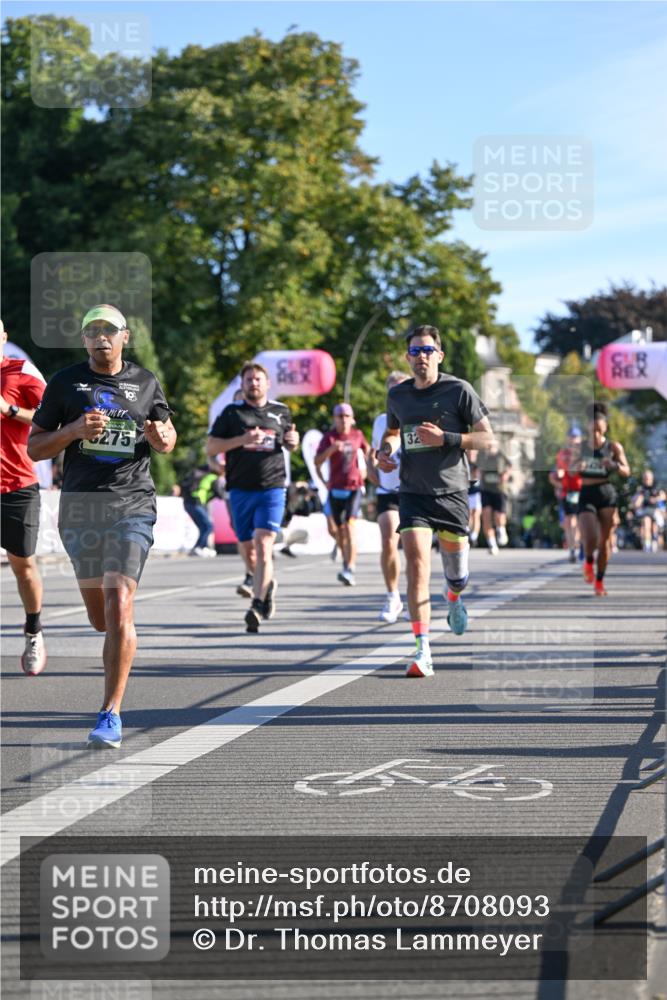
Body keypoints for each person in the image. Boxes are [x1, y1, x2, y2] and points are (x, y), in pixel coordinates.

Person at [28, 304, 176, 747]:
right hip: (80, 508)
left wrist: (161, 438)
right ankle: (115, 638)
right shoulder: (64, 383)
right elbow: (35, 448)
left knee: (119, 597)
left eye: (108, 331)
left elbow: (168, 436)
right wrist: (73, 430)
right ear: (84, 339)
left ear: (125, 337)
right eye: (92, 331)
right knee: (101, 617)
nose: (100, 339)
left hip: (132, 502)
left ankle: (110, 712)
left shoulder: (145, 381)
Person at [377, 324, 494, 677]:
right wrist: (385, 451)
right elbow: (394, 432)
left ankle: (455, 596)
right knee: (416, 566)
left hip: (453, 492)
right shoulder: (398, 395)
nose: (421, 357)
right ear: (407, 357)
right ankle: (422, 649)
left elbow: (487, 440)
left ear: (439, 355)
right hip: (412, 492)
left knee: (455, 575)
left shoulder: (459, 390)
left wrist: (446, 438)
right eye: (415, 351)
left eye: (427, 350)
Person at [207, 361, 299, 633]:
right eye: (248, 379)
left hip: (272, 488)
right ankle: (267, 584)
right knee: (248, 550)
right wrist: (242, 440)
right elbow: (211, 446)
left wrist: (292, 442)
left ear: (267, 384)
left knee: (263, 543)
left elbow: (289, 441)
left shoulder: (281, 412)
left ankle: (257, 606)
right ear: (242, 385)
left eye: (258, 379)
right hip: (240, 490)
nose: (254, 383)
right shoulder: (231, 413)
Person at [0, 319, 48, 675]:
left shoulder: (20, 370)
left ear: (3, 338)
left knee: (23, 567)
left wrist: (9, 409)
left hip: (16, 484)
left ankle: (33, 630)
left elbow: (54, 418)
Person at [571, 401, 630, 595]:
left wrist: (613, 465)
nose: (596, 432)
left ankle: (599, 581)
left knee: (604, 542)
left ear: (605, 426)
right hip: (587, 493)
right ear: (588, 426)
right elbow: (570, 469)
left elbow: (626, 471)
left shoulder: (613, 446)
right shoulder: (580, 447)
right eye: (593, 427)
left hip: (606, 494)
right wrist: (577, 468)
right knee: (590, 537)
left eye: (599, 427)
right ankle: (588, 561)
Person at [315, 402, 370, 587]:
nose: (343, 419)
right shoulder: (329, 437)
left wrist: (367, 471)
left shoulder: (358, 435)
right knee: (335, 530)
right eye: (340, 416)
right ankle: (342, 549)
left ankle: (349, 568)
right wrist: (331, 450)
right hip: (335, 488)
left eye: (347, 415)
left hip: (353, 488)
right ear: (334, 419)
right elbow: (317, 461)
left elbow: (369, 453)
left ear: (352, 419)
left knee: (349, 527)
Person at [369, 371, 409, 622]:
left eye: (401, 389)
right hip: (389, 491)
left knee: (416, 550)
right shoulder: (381, 421)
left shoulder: (419, 417)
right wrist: (375, 472)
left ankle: (416, 596)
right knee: (388, 540)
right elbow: (375, 453)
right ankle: (393, 595)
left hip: (416, 490)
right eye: (392, 391)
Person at [550, 427, 583, 562]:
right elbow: (555, 473)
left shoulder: (584, 453)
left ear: (580, 439)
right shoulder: (562, 454)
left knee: (580, 521)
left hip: (581, 490)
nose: (573, 439)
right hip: (568, 491)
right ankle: (572, 549)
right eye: (571, 437)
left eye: (575, 437)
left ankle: (579, 544)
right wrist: (558, 480)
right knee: (569, 521)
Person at [179, 461, 223, 557]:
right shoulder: (213, 478)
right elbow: (219, 493)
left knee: (203, 527)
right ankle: (199, 547)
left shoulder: (204, 475)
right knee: (208, 526)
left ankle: (202, 547)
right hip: (195, 503)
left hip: (189, 502)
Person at [477, 442, 512, 554]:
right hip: (486, 489)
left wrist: (506, 474)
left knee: (499, 516)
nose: (489, 447)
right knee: (486, 515)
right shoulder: (481, 455)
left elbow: (510, 465)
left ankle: (501, 529)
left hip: (500, 489)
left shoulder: (501, 454)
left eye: (491, 446)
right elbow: (476, 467)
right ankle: (492, 544)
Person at [631, 469, 666, 552]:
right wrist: (638, 502)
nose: (647, 480)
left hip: (656, 510)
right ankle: (647, 544)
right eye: (646, 478)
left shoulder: (656, 486)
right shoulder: (641, 489)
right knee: (646, 524)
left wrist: (655, 499)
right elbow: (636, 502)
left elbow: (663, 496)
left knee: (655, 527)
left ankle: (655, 540)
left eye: (648, 478)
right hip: (646, 510)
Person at [467, 450, 482, 547]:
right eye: (469, 452)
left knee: (476, 514)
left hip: (477, 492)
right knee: (468, 515)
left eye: (473, 452)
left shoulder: (480, 462)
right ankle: (468, 532)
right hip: (466, 492)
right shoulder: (463, 461)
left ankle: (474, 536)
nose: (471, 454)